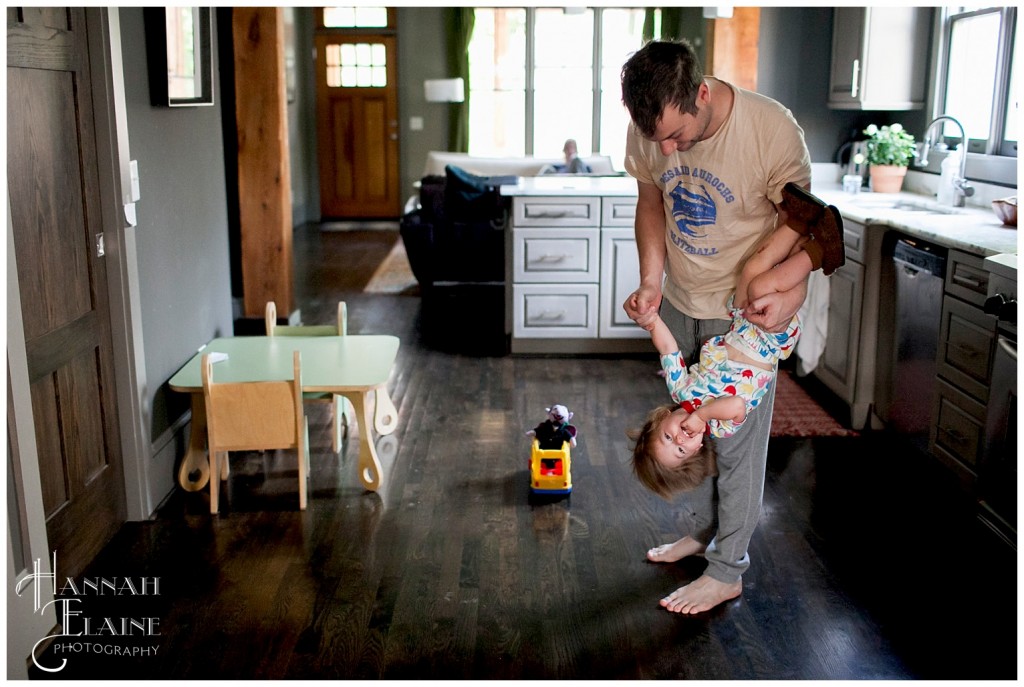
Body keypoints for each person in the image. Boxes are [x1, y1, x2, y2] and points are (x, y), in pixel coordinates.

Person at [620, 38, 820, 614]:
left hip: (747, 313)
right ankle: (709, 537)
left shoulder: (770, 129)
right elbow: (652, 199)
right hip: (682, 298)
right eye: (659, 140)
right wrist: (651, 281)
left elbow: (804, 220)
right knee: (697, 441)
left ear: (701, 93)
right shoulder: (651, 126)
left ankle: (728, 570)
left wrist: (797, 289)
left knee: (739, 455)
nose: (670, 149)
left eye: (679, 136)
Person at [627, 182, 844, 500]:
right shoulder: (722, 426)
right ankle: (820, 252)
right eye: (682, 449)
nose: (681, 438)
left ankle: (799, 222)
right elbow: (736, 404)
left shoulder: (681, 389)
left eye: (668, 437)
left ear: (662, 419)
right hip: (767, 342)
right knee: (761, 286)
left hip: (741, 328)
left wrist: (652, 321)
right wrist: (703, 415)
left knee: (753, 269)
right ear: (697, 450)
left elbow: (668, 348)